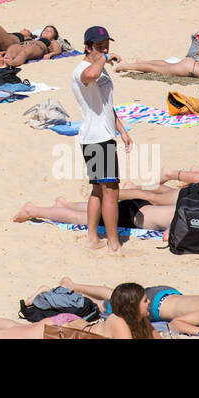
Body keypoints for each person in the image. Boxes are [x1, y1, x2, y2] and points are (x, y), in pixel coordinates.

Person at [0, 282, 153, 340]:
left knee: (16, 329)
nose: (149, 302)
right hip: (58, 331)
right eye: (144, 300)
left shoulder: (140, 322)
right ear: (132, 306)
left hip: (67, 325)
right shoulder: (118, 321)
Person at [75, 27, 130, 253]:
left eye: (107, 45)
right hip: (97, 138)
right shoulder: (82, 70)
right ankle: (113, 243)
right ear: (87, 47)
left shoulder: (101, 70)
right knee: (110, 190)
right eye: (99, 47)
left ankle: (91, 238)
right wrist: (105, 58)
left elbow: (107, 106)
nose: (105, 50)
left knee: (98, 189)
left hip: (101, 135)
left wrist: (123, 132)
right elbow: (89, 75)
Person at [57, 278, 199, 336]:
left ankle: (73, 285)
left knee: (113, 296)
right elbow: (176, 324)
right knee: (107, 305)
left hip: (167, 296)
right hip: (157, 304)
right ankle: (72, 288)